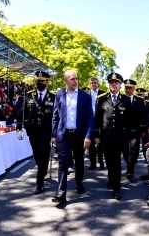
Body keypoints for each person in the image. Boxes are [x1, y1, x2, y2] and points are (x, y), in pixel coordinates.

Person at [51, 70, 93, 204]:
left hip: (78, 135)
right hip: (63, 135)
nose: (75, 81)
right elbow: (55, 116)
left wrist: (88, 136)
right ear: (65, 81)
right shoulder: (59, 95)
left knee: (79, 161)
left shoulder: (85, 96)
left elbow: (90, 118)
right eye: (72, 79)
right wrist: (53, 134)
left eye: (76, 78)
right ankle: (61, 192)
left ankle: (79, 182)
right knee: (63, 162)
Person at [93, 73, 137, 200]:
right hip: (106, 136)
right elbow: (97, 118)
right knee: (109, 160)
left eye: (116, 82)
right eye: (111, 82)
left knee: (116, 161)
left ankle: (116, 188)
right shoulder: (101, 98)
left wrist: (133, 136)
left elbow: (131, 119)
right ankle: (111, 178)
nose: (113, 84)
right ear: (109, 84)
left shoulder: (125, 99)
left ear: (120, 85)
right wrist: (96, 134)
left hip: (120, 136)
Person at [20, 71, 55, 194]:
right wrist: (20, 126)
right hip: (33, 130)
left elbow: (56, 116)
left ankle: (39, 182)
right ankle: (43, 169)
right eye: (38, 81)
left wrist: (54, 132)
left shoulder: (53, 97)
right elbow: (23, 111)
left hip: (45, 131)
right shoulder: (29, 96)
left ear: (47, 82)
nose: (40, 83)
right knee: (36, 154)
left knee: (43, 154)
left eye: (43, 81)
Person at [123, 79, 148, 181]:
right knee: (125, 152)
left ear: (133, 89)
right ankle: (129, 164)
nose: (128, 90)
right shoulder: (120, 99)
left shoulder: (140, 101)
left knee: (134, 151)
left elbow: (144, 116)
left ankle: (130, 171)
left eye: (130, 88)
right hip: (123, 131)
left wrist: (143, 130)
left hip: (135, 130)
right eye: (126, 88)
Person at [87, 77, 106, 170]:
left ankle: (101, 162)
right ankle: (92, 163)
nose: (93, 84)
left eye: (95, 83)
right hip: (90, 121)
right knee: (91, 144)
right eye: (92, 83)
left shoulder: (103, 94)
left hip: (100, 121)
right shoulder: (87, 94)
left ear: (98, 84)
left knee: (100, 143)